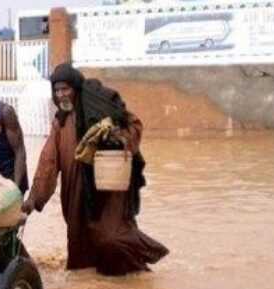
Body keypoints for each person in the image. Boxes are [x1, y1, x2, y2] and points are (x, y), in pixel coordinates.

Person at [21, 63, 168, 276]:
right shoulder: (59, 122)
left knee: (111, 237)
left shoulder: (101, 107)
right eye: (56, 90)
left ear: (76, 89)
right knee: (80, 248)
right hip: (75, 195)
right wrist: (34, 198)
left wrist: (117, 136)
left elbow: (134, 125)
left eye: (65, 89)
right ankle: (97, 288)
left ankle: (137, 266)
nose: (61, 95)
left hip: (107, 190)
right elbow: (48, 163)